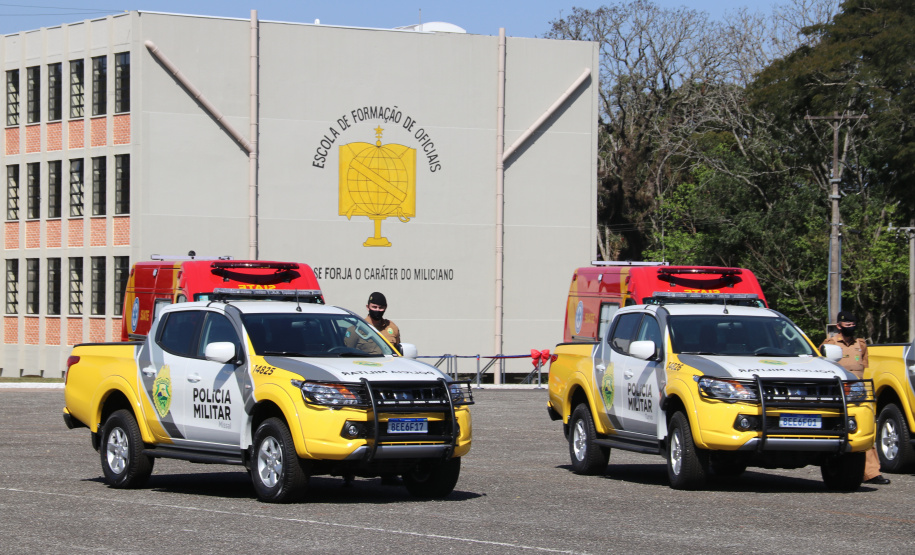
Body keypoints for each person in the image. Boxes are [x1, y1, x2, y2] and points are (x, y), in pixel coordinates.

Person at [822, 311, 890, 485]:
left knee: (867, 431)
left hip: (858, 394)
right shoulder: (830, 344)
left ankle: (872, 473)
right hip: (839, 395)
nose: (851, 327)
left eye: (853, 324)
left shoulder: (860, 344)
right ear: (839, 326)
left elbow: (863, 367)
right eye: (847, 325)